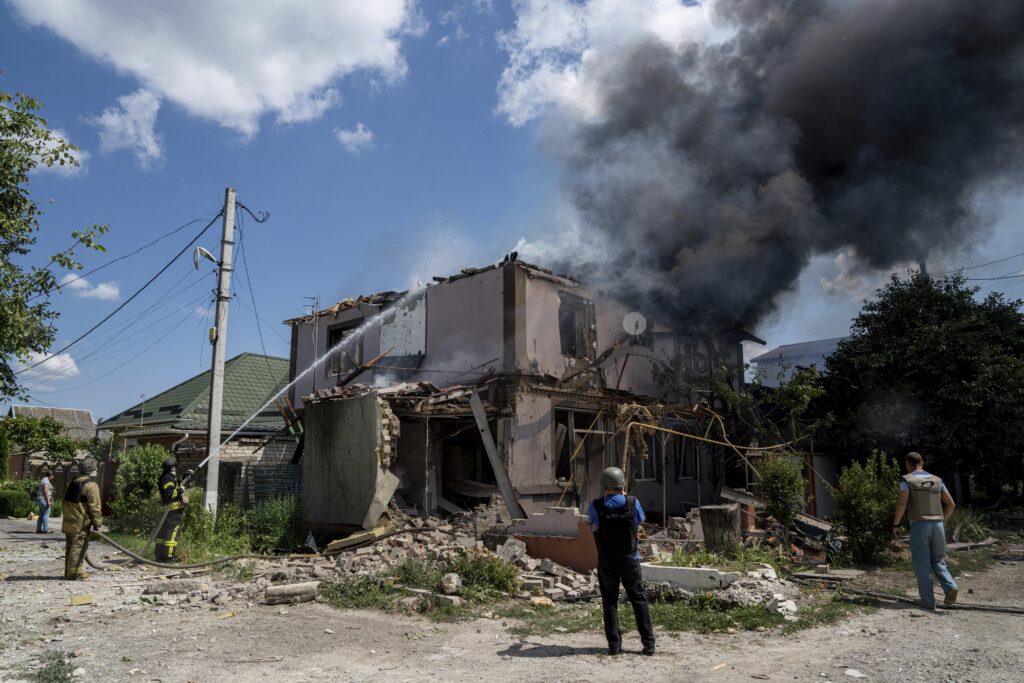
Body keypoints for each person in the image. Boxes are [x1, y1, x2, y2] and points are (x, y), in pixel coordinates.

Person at [588, 466, 656, 656]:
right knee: (638, 599)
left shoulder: (595, 506)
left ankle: (614, 645)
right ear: (622, 484)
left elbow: (592, 527)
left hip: (607, 561)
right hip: (630, 560)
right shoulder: (633, 503)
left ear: (604, 485)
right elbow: (640, 519)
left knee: (610, 601)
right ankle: (649, 643)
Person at [892, 451, 958, 610]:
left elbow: (902, 503)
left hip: (919, 525)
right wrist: (943, 520)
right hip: (938, 524)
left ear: (908, 464)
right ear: (922, 463)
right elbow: (951, 504)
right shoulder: (937, 480)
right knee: (938, 560)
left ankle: (928, 601)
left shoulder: (907, 480)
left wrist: (896, 524)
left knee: (922, 563)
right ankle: (950, 586)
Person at [62, 456, 105, 580]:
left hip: (68, 520)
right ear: (93, 470)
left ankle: (68, 572)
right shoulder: (91, 485)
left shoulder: (72, 482)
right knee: (78, 548)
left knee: (70, 547)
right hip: (80, 523)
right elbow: (95, 507)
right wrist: (97, 523)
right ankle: (74, 573)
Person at [155, 457, 187, 562]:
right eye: (175, 468)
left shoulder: (166, 477)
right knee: (172, 532)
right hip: (173, 511)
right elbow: (170, 494)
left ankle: (160, 555)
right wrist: (180, 490)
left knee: (163, 533)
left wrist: (185, 478)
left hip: (169, 511)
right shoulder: (168, 479)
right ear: (172, 468)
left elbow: (174, 485)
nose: (176, 470)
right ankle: (169, 556)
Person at [36, 467, 54, 534]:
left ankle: (38, 529)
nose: (53, 477)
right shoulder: (46, 481)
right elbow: (46, 491)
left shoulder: (43, 480)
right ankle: (45, 529)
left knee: (41, 514)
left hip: (40, 498)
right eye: (53, 476)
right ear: (50, 475)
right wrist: (48, 501)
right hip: (43, 499)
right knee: (46, 514)